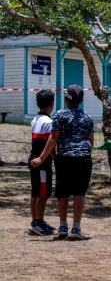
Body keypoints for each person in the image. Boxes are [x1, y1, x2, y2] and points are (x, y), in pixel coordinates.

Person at [31, 85, 95, 240]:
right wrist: (86, 153)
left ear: (65, 99)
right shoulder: (87, 117)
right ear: (82, 100)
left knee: (62, 192)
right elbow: (91, 140)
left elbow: (53, 138)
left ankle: (63, 225)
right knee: (80, 193)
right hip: (83, 158)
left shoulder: (59, 115)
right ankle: (76, 228)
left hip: (64, 158)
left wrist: (41, 157)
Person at [28, 89, 56, 236]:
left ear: (37, 104)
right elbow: (49, 144)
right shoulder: (49, 122)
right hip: (42, 163)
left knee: (35, 192)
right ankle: (38, 222)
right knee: (43, 194)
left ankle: (36, 221)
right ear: (52, 104)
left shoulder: (35, 119)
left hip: (33, 159)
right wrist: (55, 158)